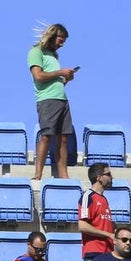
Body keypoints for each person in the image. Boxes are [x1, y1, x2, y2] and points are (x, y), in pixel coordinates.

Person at [28, 23, 75, 180]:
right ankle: (37, 175)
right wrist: (61, 72)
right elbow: (38, 76)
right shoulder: (35, 52)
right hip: (47, 100)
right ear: (53, 36)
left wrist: (65, 78)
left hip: (62, 99)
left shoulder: (54, 55)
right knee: (47, 136)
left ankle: (64, 176)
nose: (61, 45)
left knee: (63, 138)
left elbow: (56, 81)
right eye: (60, 40)